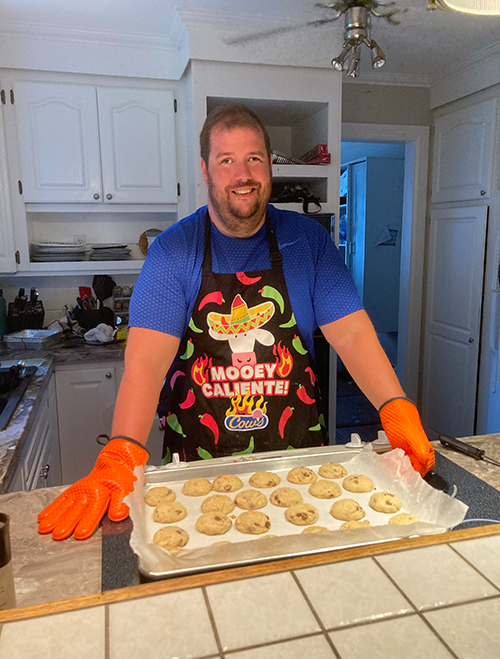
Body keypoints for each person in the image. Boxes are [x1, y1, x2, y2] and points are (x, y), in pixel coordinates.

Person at [38, 104, 435, 541]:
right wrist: (123, 451)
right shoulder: (172, 252)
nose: (242, 174)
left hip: (299, 467)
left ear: (269, 166)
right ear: (205, 170)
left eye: (254, 159)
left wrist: (394, 405)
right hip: (197, 472)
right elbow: (146, 364)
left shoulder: (308, 242)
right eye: (226, 160)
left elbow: (353, 334)